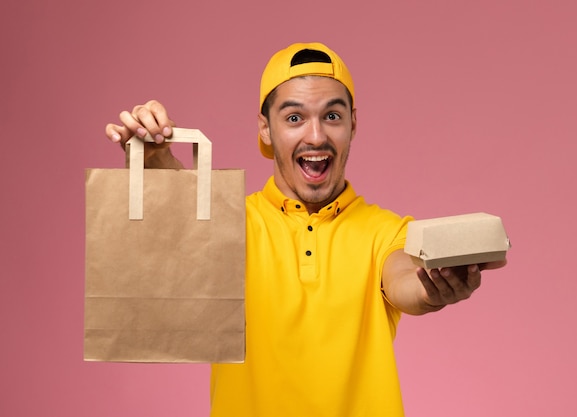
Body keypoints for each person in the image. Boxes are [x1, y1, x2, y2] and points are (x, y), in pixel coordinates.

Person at [105, 42, 506, 417]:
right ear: (265, 129)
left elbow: (405, 279)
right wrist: (154, 153)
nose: (316, 136)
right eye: (294, 118)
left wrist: (431, 286)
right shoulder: (230, 225)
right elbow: (176, 218)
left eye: (332, 116)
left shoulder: (387, 230)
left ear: (352, 124)